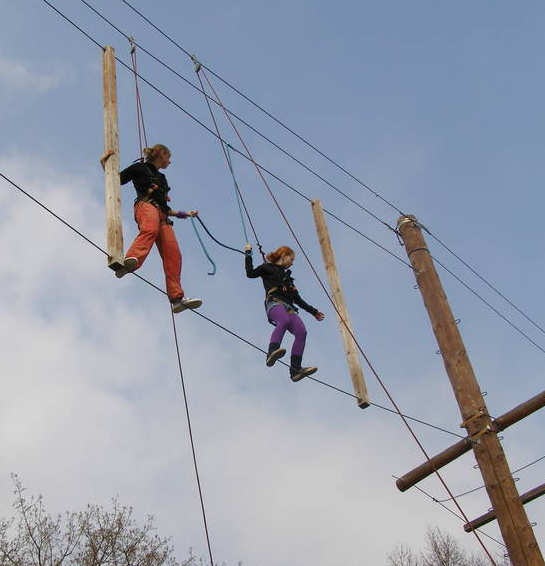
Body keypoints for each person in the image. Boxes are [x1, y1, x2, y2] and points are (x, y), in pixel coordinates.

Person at [100, 144, 202, 314]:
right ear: (160, 156)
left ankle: (177, 299)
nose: (170, 162)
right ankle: (130, 261)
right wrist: (105, 164)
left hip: (162, 215)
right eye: (168, 157)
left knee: (173, 254)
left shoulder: (162, 178)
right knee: (150, 229)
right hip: (145, 206)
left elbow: (166, 208)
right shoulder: (139, 168)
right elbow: (115, 179)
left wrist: (186, 214)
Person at [245, 243, 324, 382]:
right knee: (284, 321)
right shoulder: (267, 268)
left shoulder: (288, 280)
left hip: (289, 307)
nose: (292, 263)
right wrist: (248, 254)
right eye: (291, 260)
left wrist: (314, 311)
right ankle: (272, 351)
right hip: (274, 302)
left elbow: (298, 299)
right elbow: (250, 274)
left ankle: (295, 370)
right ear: (284, 255)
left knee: (302, 332)